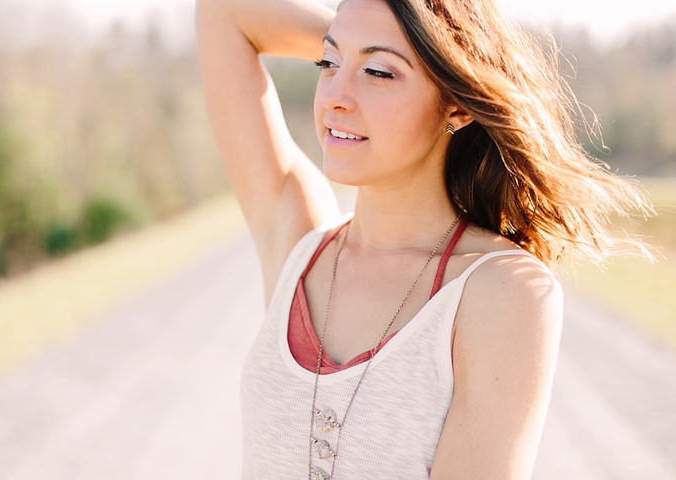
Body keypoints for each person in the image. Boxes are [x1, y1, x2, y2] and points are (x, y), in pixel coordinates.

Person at [196, 0, 651, 478]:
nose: (334, 96)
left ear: (454, 103)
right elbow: (223, 13)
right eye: (328, 63)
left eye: (377, 73)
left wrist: (425, 48)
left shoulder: (501, 291)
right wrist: (368, 38)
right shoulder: (299, 245)